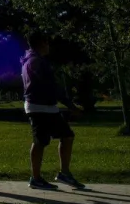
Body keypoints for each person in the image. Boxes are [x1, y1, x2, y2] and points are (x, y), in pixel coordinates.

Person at [21, 36, 85, 190]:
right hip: (39, 107)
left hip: (47, 107)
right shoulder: (36, 62)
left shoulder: (31, 60)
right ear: (42, 43)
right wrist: (71, 105)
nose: (49, 45)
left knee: (66, 136)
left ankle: (64, 173)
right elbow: (51, 87)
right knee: (40, 141)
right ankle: (36, 178)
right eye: (47, 42)